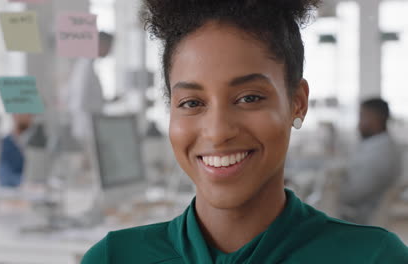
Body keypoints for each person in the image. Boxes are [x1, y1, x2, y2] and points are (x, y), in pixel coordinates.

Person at [82, 1, 408, 263]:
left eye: (249, 98)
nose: (218, 131)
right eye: (192, 102)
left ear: (297, 102)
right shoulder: (113, 257)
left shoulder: (374, 257)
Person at [339, 98, 402, 225]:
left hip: (360, 221)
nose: (358, 123)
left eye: (362, 116)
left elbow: (352, 195)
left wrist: (332, 184)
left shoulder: (382, 154)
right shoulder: (376, 146)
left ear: (376, 119)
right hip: (358, 215)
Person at [64, 31, 114, 142]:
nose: (110, 51)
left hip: (88, 126)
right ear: (100, 44)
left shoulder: (87, 65)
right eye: (109, 46)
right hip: (87, 129)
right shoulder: (85, 66)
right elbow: (80, 100)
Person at [0, 114, 33, 188]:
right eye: (27, 113)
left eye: (31, 115)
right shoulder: (4, 144)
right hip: (12, 193)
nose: (30, 117)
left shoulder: (33, 143)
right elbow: (4, 177)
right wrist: (26, 182)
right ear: (14, 115)